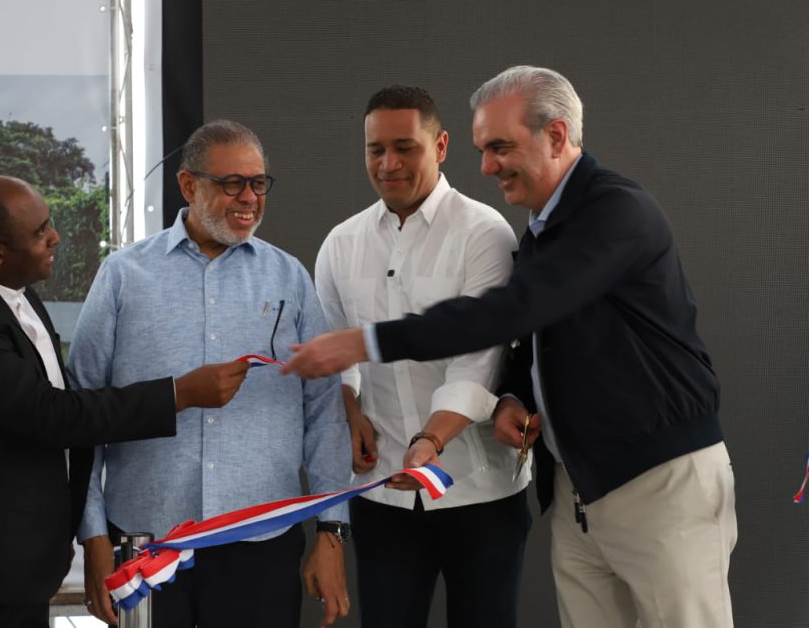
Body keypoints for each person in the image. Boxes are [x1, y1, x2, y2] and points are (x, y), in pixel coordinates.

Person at [286, 66, 737, 628]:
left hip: (656, 478)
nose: (487, 166)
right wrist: (513, 398)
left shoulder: (614, 211)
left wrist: (369, 340)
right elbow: (539, 342)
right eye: (483, 148)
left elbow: (507, 315)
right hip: (580, 486)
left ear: (556, 135)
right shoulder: (544, 228)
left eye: (500, 147)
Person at [0, 175, 249, 628]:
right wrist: (179, 393)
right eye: (40, 233)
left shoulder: (10, 289)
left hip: (7, 572)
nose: (55, 237)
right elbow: (51, 415)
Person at [70, 120, 352, 628]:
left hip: (261, 544)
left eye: (258, 183)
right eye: (231, 184)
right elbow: (80, 415)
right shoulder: (122, 275)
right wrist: (92, 538)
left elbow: (324, 413)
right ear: (187, 185)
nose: (249, 198)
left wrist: (331, 533)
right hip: (146, 546)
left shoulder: (290, 277)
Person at [315, 85, 529, 628]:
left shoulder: (485, 233)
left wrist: (431, 439)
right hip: (383, 492)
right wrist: (350, 406)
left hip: (480, 491)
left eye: (405, 147)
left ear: (441, 146)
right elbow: (338, 346)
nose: (388, 164)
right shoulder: (340, 244)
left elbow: (479, 356)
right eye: (375, 150)